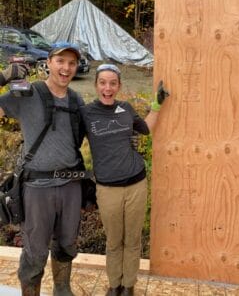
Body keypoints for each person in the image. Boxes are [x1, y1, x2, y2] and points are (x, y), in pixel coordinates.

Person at [0, 42, 86, 296]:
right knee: (35, 250)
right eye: (60, 61)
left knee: (67, 244)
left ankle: (62, 290)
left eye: (71, 63)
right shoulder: (27, 91)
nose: (66, 68)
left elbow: (95, 131)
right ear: (48, 63)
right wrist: (4, 77)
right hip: (37, 188)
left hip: (71, 186)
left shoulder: (76, 98)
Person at [80, 63, 169, 296]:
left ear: (119, 86)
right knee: (113, 241)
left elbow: (146, 129)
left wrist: (157, 105)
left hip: (136, 183)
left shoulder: (126, 108)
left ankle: (128, 285)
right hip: (108, 188)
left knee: (132, 239)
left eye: (112, 83)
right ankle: (114, 284)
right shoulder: (87, 113)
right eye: (102, 82)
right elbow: (72, 140)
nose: (107, 88)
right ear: (96, 85)